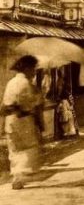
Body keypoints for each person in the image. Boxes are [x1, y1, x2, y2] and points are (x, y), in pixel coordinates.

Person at [0, 55, 44, 190]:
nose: (34, 72)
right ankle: (21, 175)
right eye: (33, 69)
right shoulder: (26, 84)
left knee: (14, 149)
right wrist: (38, 95)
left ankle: (16, 178)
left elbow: (4, 105)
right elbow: (30, 104)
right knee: (29, 148)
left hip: (10, 120)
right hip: (23, 120)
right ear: (27, 69)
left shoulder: (11, 82)